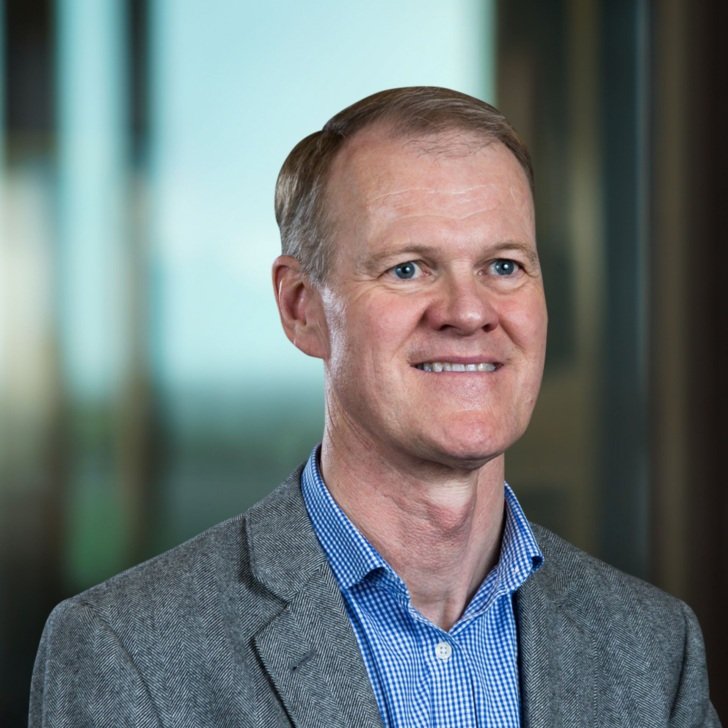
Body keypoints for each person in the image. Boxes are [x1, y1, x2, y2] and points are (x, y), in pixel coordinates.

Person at [29, 87, 719, 727]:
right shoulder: (129, 652)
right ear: (302, 309)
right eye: (409, 268)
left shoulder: (653, 650)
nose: (469, 311)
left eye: (503, 266)